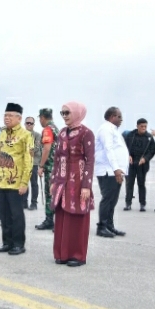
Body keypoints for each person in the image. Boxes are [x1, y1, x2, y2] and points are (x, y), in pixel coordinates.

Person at [51, 102, 95, 267]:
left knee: (77, 218)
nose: (64, 116)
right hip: (62, 181)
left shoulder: (86, 133)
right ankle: (62, 254)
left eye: (67, 112)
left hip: (78, 181)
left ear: (77, 113)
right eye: (62, 113)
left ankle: (78, 255)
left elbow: (90, 161)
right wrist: (54, 181)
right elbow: (57, 158)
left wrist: (86, 186)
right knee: (62, 217)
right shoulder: (62, 133)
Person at [0, 103, 33, 255]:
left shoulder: (25, 135)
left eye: (10, 116)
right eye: (5, 115)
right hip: (2, 181)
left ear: (19, 118)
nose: (6, 118)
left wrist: (24, 182)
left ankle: (18, 244)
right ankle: (7, 242)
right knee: (3, 214)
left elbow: (28, 160)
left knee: (16, 215)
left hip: (16, 183)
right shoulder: (2, 133)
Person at [94, 107, 128, 238]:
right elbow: (108, 148)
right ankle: (101, 227)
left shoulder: (113, 130)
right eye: (119, 117)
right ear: (112, 116)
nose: (121, 119)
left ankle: (109, 225)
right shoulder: (106, 129)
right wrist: (116, 169)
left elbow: (117, 149)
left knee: (113, 200)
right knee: (107, 199)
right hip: (108, 171)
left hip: (114, 171)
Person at [123, 118, 155, 212]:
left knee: (141, 184)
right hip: (131, 163)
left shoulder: (149, 137)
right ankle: (128, 204)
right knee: (130, 184)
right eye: (141, 126)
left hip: (142, 164)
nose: (143, 128)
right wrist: (128, 155)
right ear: (137, 126)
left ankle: (142, 204)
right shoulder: (130, 135)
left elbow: (152, 150)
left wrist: (145, 159)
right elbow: (123, 147)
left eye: (145, 126)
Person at [35, 108, 59, 230]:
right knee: (56, 193)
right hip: (58, 166)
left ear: (42, 117)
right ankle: (55, 220)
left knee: (50, 194)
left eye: (40, 118)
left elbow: (46, 149)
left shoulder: (48, 129)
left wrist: (41, 165)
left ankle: (50, 220)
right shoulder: (56, 128)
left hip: (51, 166)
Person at [23, 116, 41, 210]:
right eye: (27, 123)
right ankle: (24, 202)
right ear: (25, 124)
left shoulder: (37, 135)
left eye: (31, 123)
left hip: (33, 162)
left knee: (34, 183)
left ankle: (34, 203)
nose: (29, 125)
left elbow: (36, 148)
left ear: (34, 125)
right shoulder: (21, 135)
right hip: (23, 163)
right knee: (24, 183)